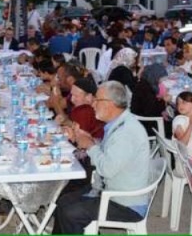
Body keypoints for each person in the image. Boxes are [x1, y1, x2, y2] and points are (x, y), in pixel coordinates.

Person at [53, 81, 151, 234]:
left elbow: (107, 169)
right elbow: (109, 152)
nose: (93, 104)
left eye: (97, 100)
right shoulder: (119, 123)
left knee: (70, 213)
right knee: (63, 201)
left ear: (110, 104)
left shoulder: (126, 132)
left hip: (125, 203)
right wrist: (88, 140)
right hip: (109, 190)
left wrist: (91, 147)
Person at [172, 91, 192, 159]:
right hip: (188, 162)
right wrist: (191, 125)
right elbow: (182, 145)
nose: (180, 106)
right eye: (178, 103)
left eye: (184, 102)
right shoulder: (179, 120)